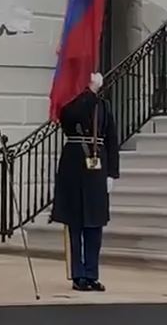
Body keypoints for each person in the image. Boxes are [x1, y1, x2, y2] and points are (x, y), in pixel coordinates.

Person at [50, 72, 119, 292]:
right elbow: (70, 118)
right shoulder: (71, 103)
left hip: (96, 168)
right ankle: (78, 274)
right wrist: (89, 92)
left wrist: (112, 174)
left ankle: (92, 273)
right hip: (74, 167)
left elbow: (111, 140)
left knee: (95, 224)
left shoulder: (103, 106)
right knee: (76, 224)